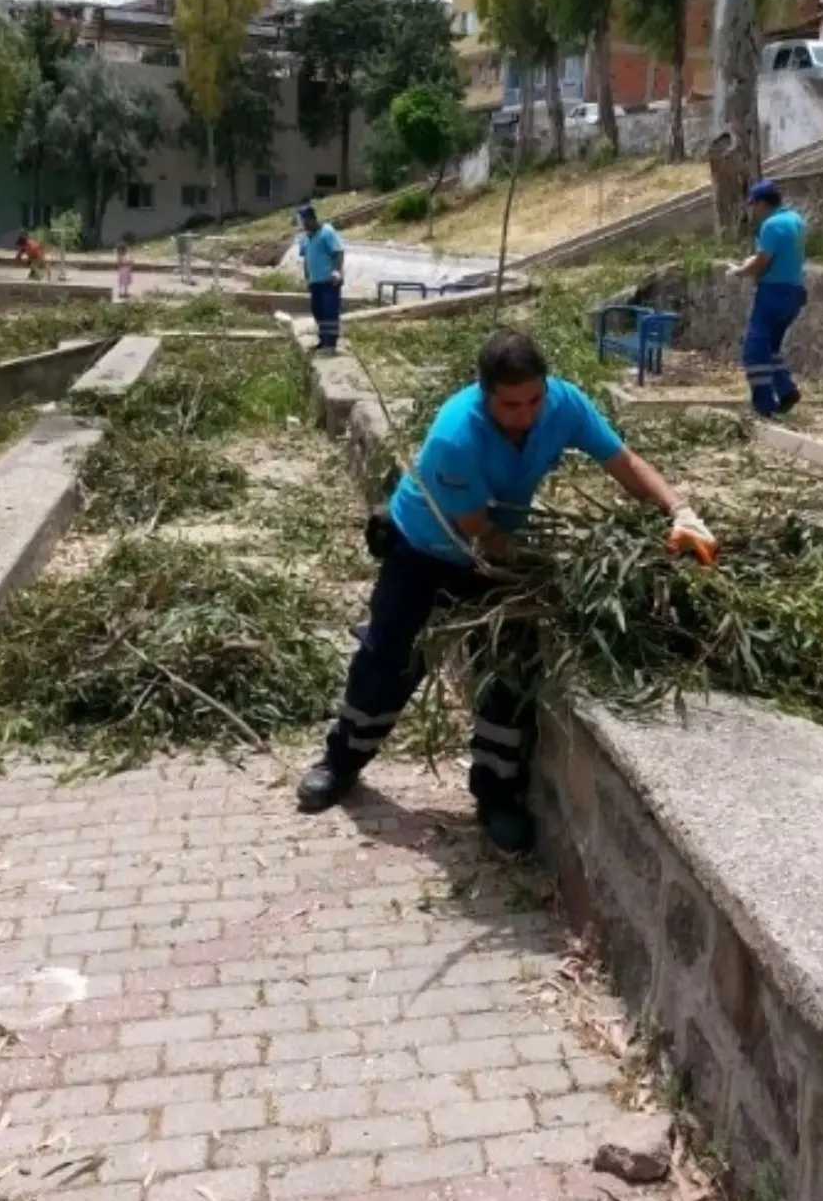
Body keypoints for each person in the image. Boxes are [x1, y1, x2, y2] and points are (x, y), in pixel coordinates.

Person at [296, 329, 718, 853]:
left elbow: (624, 464)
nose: (527, 414)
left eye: (535, 399)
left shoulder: (564, 405)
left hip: (495, 548)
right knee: (392, 660)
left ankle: (496, 793)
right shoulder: (456, 435)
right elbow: (483, 532)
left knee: (510, 666)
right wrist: (558, 568)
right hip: (428, 549)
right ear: (484, 393)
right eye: (511, 405)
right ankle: (341, 762)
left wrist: (679, 511)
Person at [729, 178, 807, 417]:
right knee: (770, 347)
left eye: (754, 205)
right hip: (795, 291)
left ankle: (765, 406)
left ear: (762, 203)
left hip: (773, 292)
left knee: (754, 351)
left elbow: (763, 261)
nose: (753, 210)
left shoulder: (772, 225)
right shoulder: (796, 220)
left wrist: (739, 271)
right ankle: (786, 390)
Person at [296, 202, 345, 352]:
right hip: (314, 282)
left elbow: (338, 252)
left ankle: (330, 344)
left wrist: (337, 271)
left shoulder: (327, 232)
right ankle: (323, 341)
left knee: (329, 312)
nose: (302, 225)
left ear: (311, 219)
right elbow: (306, 257)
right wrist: (307, 277)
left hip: (329, 281)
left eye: (303, 221)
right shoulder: (305, 238)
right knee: (318, 311)